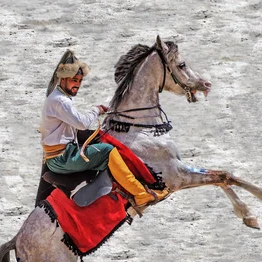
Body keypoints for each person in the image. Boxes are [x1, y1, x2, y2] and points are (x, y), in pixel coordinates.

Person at [40, 50, 168, 207]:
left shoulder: (59, 98)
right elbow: (82, 123)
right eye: (74, 80)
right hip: (62, 157)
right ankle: (141, 195)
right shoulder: (60, 101)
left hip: (64, 153)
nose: (77, 85)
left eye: (80, 81)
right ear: (63, 79)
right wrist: (97, 110)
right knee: (108, 151)